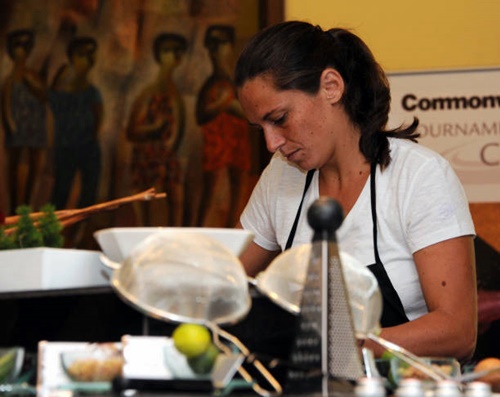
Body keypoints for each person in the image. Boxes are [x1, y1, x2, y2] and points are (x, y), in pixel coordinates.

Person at [234, 21, 477, 361]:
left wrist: (336, 347)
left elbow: (457, 332)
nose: (272, 143)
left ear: (331, 86)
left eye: (280, 118)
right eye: (260, 127)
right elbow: (225, 283)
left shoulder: (418, 176)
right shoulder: (281, 178)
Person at [126, 32, 187, 227]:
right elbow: (132, 130)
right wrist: (155, 128)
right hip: (147, 157)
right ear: (159, 55)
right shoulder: (149, 93)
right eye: (168, 51)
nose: (173, 56)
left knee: (175, 199)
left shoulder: (175, 93)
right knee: (148, 204)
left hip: (167, 156)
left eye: (177, 51)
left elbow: (179, 128)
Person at [195, 24, 251, 227]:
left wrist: (228, 104)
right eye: (213, 45)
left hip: (237, 143)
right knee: (211, 189)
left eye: (221, 44)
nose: (216, 50)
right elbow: (201, 115)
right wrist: (222, 104)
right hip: (216, 146)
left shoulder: (239, 82)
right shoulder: (211, 84)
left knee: (238, 190)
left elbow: (250, 115)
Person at [49, 36, 103, 211]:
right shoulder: (62, 88)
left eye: (90, 54)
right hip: (66, 147)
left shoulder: (92, 92)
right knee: (61, 192)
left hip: (87, 147)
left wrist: (91, 138)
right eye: (82, 54)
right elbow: (51, 101)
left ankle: (77, 234)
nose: (87, 59)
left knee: (88, 194)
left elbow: (98, 117)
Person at [1, 29, 50, 214]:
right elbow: (5, 104)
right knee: (14, 167)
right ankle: (14, 208)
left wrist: (28, 79)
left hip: (34, 127)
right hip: (17, 129)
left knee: (33, 167)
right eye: (17, 46)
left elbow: (44, 95)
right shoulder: (10, 81)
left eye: (24, 45)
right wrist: (11, 124)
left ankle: (27, 207)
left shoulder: (32, 76)